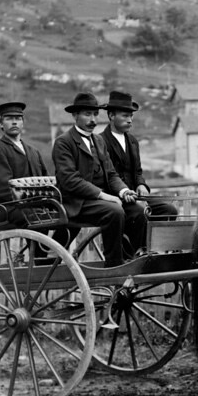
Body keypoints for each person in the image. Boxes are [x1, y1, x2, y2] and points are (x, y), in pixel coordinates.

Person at [52, 91, 141, 267]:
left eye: (95, 114)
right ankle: (115, 264)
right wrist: (103, 195)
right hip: (77, 202)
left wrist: (123, 190)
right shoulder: (64, 142)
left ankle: (133, 257)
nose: (93, 119)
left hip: (98, 201)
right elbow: (70, 179)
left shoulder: (98, 141)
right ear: (75, 115)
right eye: (87, 114)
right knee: (114, 211)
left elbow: (111, 174)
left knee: (137, 211)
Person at [100, 90, 178, 253]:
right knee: (139, 213)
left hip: (137, 196)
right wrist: (125, 192)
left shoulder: (133, 141)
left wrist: (141, 184)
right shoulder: (101, 141)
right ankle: (140, 252)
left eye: (131, 116)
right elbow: (106, 176)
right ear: (111, 115)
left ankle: (159, 248)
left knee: (169, 210)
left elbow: (137, 172)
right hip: (115, 198)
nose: (130, 120)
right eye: (125, 116)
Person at [0, 101, 50, 226]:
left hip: (34, 207)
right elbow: (2, 189)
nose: (14, 122)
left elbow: (45, 180)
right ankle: (42, 245)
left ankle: (53, 246)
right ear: (1, 123)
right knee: (37, 216)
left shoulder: (34, 151)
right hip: (8, 209)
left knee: (67, 214)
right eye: (9, 118)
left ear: (23, 122)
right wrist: (31, 202)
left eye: (18, 118)